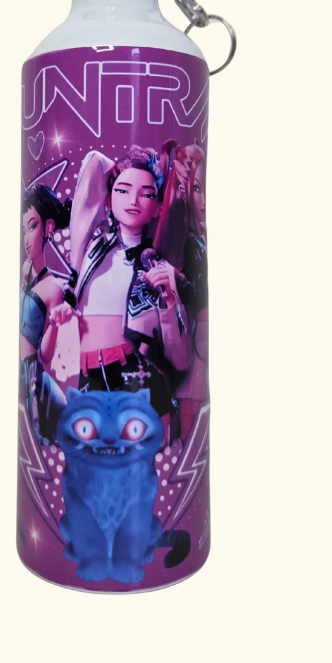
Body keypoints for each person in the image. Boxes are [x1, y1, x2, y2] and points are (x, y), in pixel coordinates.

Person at [50, 146, 190, 447]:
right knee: (90, 455)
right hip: (88, 373)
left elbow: (179, 357)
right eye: (122, 190)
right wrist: (127, 166)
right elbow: (93, 164)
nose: (133, 201)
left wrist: (168, 301)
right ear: (109, 195)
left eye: (146, 194)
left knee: (149, 448)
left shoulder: (155, 263)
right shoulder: (92, 245)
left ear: (158, 206)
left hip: (132, 371)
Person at [20, 185, 70, 441]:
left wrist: (54, 323)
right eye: (23, 230)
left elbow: (45, 355)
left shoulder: (53, 288)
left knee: (34, 438)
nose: (26, 239)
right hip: (18, 372)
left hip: (34, 379)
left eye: (32, 227)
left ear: (48, 227)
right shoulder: (24, 273)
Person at [171, 144, 209, 439]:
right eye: (196, 188)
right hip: (190, 337)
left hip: (198, 336)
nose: (203, 200)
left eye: (203, 187)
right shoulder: (186, 240)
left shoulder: (197, 241)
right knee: (187, 415)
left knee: (191, 415)